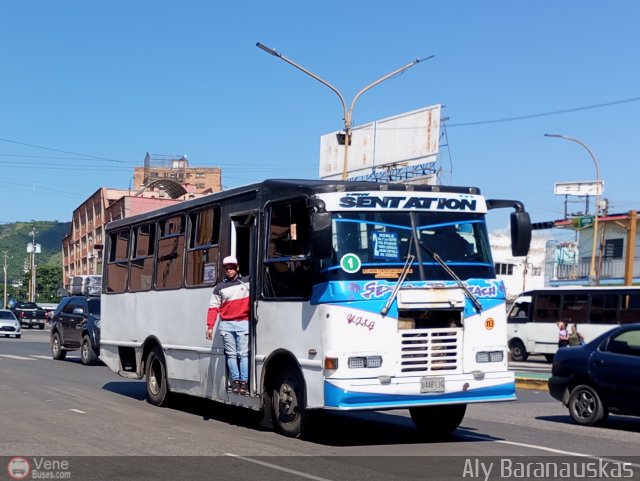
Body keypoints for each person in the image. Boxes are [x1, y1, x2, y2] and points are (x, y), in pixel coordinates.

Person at [205, 256, 250, 395]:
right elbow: (213, 308)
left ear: (237, 268)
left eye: (231, 268)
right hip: (226, 325)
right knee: (231, 355)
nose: (229, 270)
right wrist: (210, 326)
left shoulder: (247, 282)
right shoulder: (219, 288)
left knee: (242, 354)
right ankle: (235, 381)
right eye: (226, 268)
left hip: (243, 323)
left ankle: (245, 382)